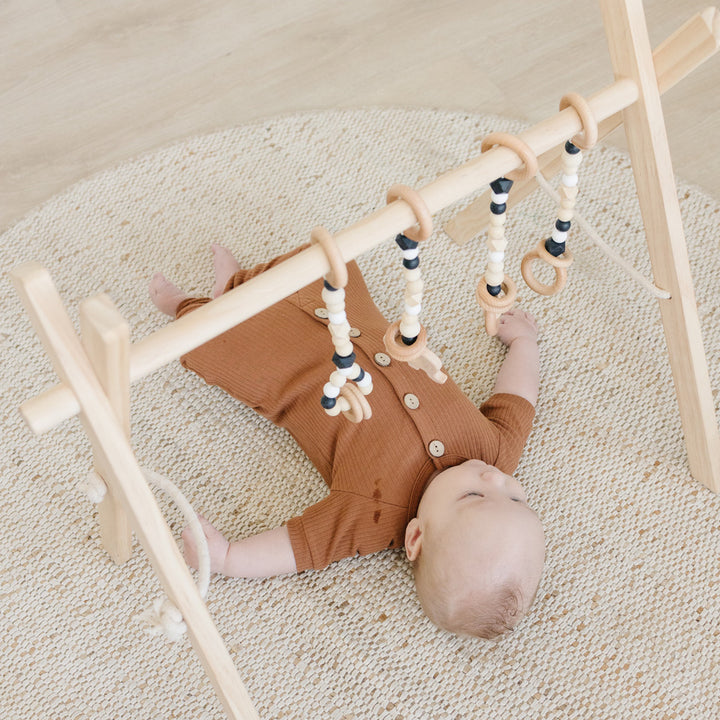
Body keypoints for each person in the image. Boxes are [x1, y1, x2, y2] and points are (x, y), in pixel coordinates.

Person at [149, 243, 546, 639]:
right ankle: (235, 284)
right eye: (517, 497)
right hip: (352, 318)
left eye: (473, 497)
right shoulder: (497, 452)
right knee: (328, 263)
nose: (495, 479)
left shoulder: (372, 515)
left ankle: (186, 305)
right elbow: (519, 398)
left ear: (416, 536)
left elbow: (302, 547)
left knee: (214, 338)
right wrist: (524, 344)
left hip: (289, 366)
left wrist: (229, 559)